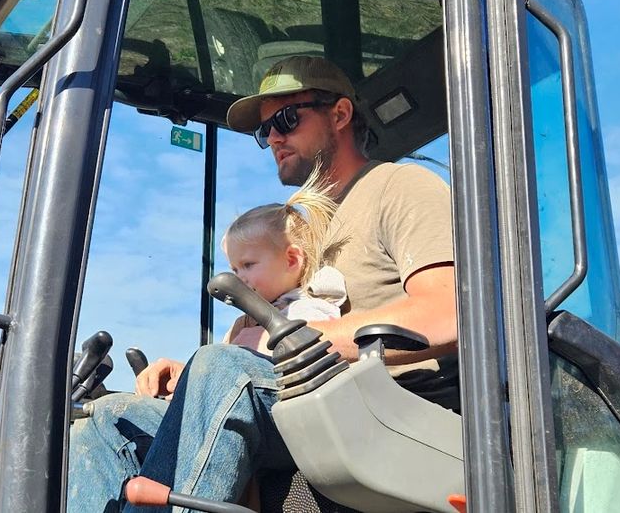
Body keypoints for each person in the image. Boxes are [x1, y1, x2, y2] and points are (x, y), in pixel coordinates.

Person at [67, 55, 457, 511]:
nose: (273, 136)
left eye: (287, 118)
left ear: (340, 114)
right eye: (264, 129)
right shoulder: (302, 228)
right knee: (109, 416)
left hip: (387, 407)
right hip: (300, 402)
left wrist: (292, 343)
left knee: (222, 370)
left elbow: (448, 314)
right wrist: (192, 376)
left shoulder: (399, 187)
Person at [219, 170, 344, 354]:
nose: (239, 279)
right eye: (236, 270)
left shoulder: (309, 310)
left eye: (248, 265)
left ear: (292, 260)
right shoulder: (246, 322)